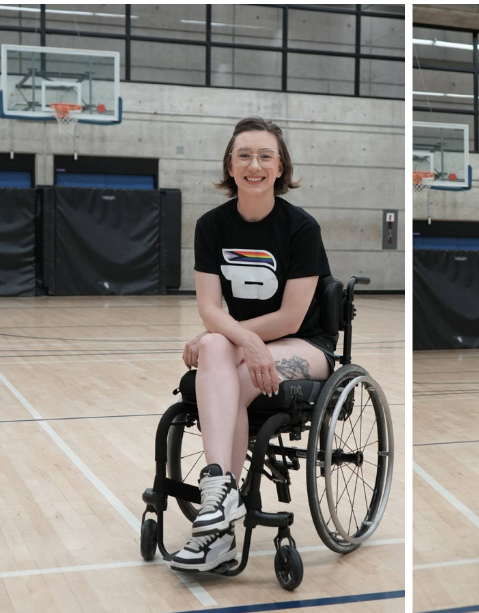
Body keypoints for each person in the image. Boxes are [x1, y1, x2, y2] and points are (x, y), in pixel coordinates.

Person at [168, 117, 336, 572]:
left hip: (306, 346)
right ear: (230, 164)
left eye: (265, 156)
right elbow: (209, 308)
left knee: (218, 353)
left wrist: (231, 337)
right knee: (218, 350)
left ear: (280, 168)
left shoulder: (301, 228)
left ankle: (218, 517)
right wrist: (238, 338)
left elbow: (292, 317)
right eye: (244, 155)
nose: (254, 164)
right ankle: (221, 494)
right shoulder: (211, 225)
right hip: (245, 345)